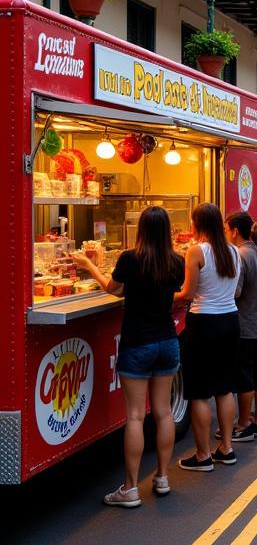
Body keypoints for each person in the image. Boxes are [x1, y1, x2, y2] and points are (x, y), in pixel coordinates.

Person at [70, 206, 184, 507]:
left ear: (141, 229)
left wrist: (89, 265)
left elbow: (113, 289)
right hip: (167, 340)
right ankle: (162, 477)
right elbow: (174, 293)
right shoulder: (177, 261)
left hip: (137, 342)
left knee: (135, 415)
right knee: (163, 413)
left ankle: (131, 488)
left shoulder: (131, 258)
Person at [175, 202, 241, 472]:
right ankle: (227, 447)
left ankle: (203, 455)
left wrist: (169, 296)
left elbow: (187, 293)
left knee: (199, 392)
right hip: (230, 321)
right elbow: (234, 291)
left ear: (196, 223)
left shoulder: (196, 251)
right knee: (224, 388)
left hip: (203, 323)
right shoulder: (234, 251)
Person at [226, 212, 257, 442]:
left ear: (235, 231)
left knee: (244, 375)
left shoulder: (240, 256)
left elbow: (236, 292)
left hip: (246, 324)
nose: (226, 234)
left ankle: (244, 424)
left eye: (227, 229)